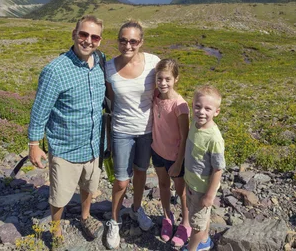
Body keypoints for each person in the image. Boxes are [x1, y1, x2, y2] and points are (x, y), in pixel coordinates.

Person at [27, 15, 106, 246]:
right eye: (83, 34)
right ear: (74, 34)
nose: (88, 40)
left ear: (100, 41)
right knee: (59, 195)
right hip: (65, 146)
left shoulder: (100, 60)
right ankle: (56, 230)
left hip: (93, 143)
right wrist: (34, 144)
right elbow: (40, 109)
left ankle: (85, 216)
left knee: (89, 186)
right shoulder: (55, 70)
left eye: (94, 37)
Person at [104, 20, 160, 249]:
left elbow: (164, 90)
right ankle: (114, 220)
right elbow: (109, 101)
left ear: (141, 42)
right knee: (120, 179)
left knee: (140, 173)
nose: (128, 45)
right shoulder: (108, 67)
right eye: (123, 40)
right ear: (118, 40)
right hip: (121, 130)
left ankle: (137, 208)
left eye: (133, 41)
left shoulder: (153, 63)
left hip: (147, 130)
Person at [151, 59, 191, 247]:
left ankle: (186, 222)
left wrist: (178, 161)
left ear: (176, 79)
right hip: (157, 151)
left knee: (181, 191)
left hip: (175, 157)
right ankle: (167, 216)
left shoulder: (180, 105)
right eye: (160, 78)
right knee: (163, 185)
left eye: (168, 79)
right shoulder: (155, 96)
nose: (163, 83)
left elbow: (185, 137)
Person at [181, 85, 225, 251]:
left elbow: (218, 169)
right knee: (199, 217)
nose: (201, 112)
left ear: (216, 112)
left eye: (208, 108)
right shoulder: (195, 123)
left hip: (202, 188)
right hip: (192, 182)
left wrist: (209, 195)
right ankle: (205, 241)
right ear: (192, 105)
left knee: (197, 225)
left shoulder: (214, 138)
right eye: (198, 107)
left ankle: (192, 248)